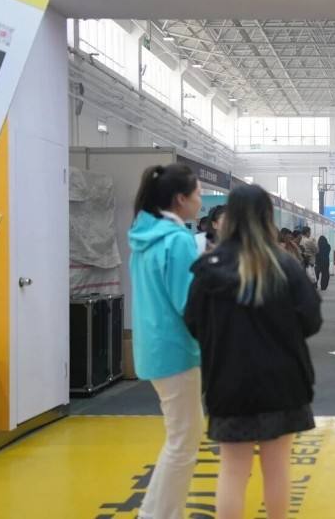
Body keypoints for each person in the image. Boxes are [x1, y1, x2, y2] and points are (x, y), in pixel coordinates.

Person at [184, 185, 322, 519]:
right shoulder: (285, 265)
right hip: (283, 381)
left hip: (227, 381)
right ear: (267, 217)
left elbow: (193, 323)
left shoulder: (208, 268)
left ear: (228, 217)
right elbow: (311, 320)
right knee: (277, 468)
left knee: (233, 470)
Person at [128, 163, 204, 519]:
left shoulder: (143, 238)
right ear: (180, 199)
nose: (201, 201)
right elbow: (190, 304)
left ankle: (153, 512)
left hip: (153, 348)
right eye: (198, 193)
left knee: (180, 438)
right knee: (183, 443)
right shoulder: (177, 240)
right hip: (176, 350)